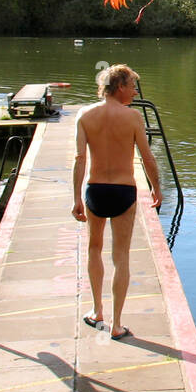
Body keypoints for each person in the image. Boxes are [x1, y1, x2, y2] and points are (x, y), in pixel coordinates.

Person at [72, 64, 162, 339]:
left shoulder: (85, 115)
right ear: (119, 86)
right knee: (121, 256)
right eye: (132, 86)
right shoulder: (133, 118)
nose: (135, 92)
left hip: (95, 190)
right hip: (123, 191)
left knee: (94, 248)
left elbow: (80, 159)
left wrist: (76, 197)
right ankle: (116, 324)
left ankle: (97, 310)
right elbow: (147, 156)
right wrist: (157, 187)